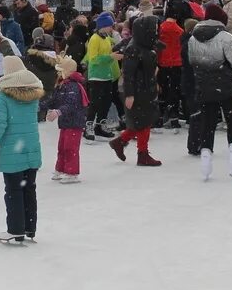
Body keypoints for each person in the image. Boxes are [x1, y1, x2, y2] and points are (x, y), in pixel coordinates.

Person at [0, 55, 45, 244]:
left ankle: (15, 229)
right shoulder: (33, 94)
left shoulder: (4, 96)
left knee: (14, 190)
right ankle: (29, 227)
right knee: (29, 189)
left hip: (12, 152)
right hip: (31, 149)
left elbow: (0, 124)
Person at [188, 4, 232, 181]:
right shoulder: (226, 37)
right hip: (225, 85)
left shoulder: (193, 38)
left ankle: (206, 158)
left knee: (208, 122)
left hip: (204, 86)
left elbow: (192, 61)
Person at [110, 15, 162, 167]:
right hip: (139, 91)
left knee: (142, 121)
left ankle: (120, 142)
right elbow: (128, 73)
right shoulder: (134, 48)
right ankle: (142, 154)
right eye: (154, 29)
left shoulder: (146, 44)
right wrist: (130, 94)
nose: (156, 31)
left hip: (146, 88)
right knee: (143, 122)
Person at [44, 56, 88, 183]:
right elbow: (53, 101)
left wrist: (58, 112)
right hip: (65, 123)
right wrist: (37, 106)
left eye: (60, 70)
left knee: (70, 148)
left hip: (74, 122)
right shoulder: (62, 85)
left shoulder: (73, 86)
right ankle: (61, 168)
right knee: (62, 147)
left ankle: (71, 172)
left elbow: (71, 104)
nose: (57, 73)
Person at [82, 12, 121, 141]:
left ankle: (100, 125)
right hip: (97, 77)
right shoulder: (94, 39)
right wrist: (110, 57)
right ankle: (89, 126)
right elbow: (93, 59)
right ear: (103, 26)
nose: (111, 29)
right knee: (95, 102)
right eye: (110, 26)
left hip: (107, 76)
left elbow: (110, 51)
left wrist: (114, 54)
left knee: (106, 102)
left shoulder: (106, 39)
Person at [157, 15, 184, 130]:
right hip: (176, 63)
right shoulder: (180, 30)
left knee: (163, 90)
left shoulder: (160, 29)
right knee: (175, 90)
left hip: (163, 62)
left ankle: (162, 115)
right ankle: (174, 117)